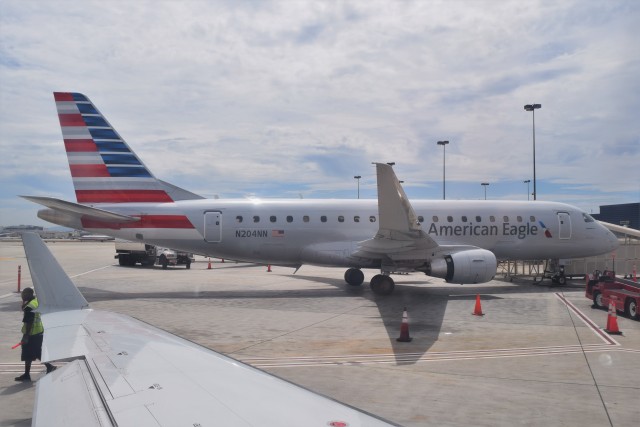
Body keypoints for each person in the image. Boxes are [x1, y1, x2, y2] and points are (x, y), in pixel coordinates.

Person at [14, 287, 56, 382]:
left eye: (23, 294)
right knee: (33, 353)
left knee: (30, 353)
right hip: (39, 331)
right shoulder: (35, 301)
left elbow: (29, 322)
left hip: (31, 333)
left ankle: (48, 367)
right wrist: (24, 301)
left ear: (28, 294)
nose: (22, 295)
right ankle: (28, 374)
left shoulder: (29, 307)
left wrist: (25, 337)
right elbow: (25, 308)